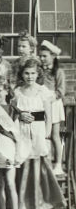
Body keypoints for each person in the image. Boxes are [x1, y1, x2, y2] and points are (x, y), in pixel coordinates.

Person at [12, 57, 64, 209]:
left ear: (38, 74)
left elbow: (49, 116)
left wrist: (47, 135)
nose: (30, 76)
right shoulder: (18, 92)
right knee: (23, 173)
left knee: (37, 173)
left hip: (39, 133)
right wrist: (20, 115)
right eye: (26, 73)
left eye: (33, 73)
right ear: (22, 74)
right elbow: (13, 113)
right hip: (23, 133)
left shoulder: (43, 91)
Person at [38, 40, 66, 176]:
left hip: (53, 105)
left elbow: (61, 91)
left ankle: (58, 164)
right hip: (41, 105)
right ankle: (45, 162)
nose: (42, 59)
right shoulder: (39, 71)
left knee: (55, 135)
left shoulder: (58, 72)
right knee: (43, 134)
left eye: (45, 56)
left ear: (53, 56)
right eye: (40, 56)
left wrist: (49, 99)